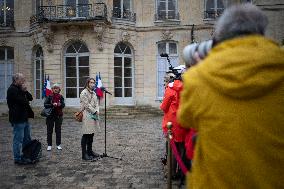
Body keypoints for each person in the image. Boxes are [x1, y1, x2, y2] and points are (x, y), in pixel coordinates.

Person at [178, 4, 284, 189]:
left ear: (221, 35)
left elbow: (186, 119)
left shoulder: (199, 77)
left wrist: (201, 67)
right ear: (261, 31)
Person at [160, 70, 187, 180]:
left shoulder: (170, 89)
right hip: (183, 122)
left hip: (171, 123)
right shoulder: (187, 88)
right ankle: (182, 172)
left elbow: (164, 107)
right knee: (182, 149)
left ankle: (171, 173)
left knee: (171, 149)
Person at [7, 73, 34, 165]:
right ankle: (17, 158)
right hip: (18, 118)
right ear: (16, 80)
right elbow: (23, 101)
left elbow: (30, 98)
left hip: (25, 118)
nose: (24, 81)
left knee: (27, 138)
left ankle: (26, 155)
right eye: (22, 79)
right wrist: (23, 92)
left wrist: (25, 91)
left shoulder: (20, 89)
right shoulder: (12, 89)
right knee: (18, 139)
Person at [80, 78, 100, 161]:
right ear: (87, 83)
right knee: (86, 134)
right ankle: (84, 154)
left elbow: (97, 103)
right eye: (91, 82)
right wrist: (94, 111)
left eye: (94, 83)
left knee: (91, 134)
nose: (93, 84)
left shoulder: (94, 93)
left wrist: (97, 111)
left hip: (94, 115)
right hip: (87, 115)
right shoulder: (83, 92)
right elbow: (86, 105)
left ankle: (90, 151)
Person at [44, 83, 65, 151]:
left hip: (58, 116)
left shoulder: (61, 96)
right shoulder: (49, 96)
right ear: (52, 89)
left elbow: (63, 105)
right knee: (49, 131)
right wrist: (52, 104)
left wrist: (60, 104)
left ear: (59, 89)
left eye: (57, 88)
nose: (56, 89)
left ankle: (58, 144)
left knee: (58, 131)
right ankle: (49, 145)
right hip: (50, 116)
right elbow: (45, 105)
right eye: (54, 88)